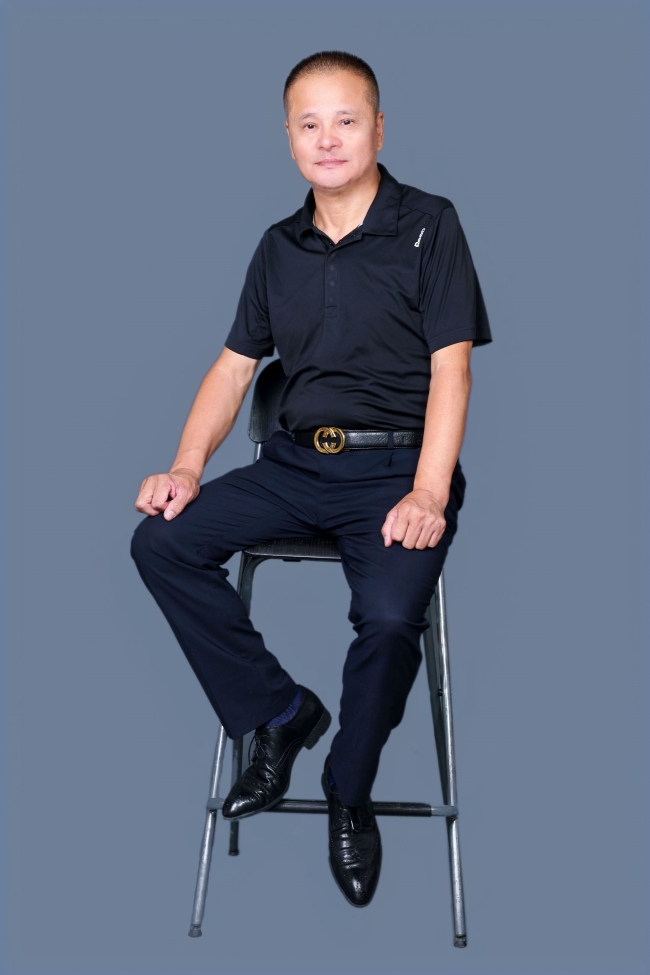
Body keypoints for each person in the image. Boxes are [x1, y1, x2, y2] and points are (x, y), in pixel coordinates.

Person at [130, 50, 491, 908]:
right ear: (289, 138)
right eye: (309, 124)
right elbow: (233, 370)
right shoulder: (277, 246)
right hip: (294, 464)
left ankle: (347, 789)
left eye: (346, 120)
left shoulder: (429, 225)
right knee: (160, 543)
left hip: (397, 468)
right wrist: (186, 466)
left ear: (379, 129)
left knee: (391, 617)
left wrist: (429, 490)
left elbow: (452, 370)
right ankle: (282, 713)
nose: (328, 139)